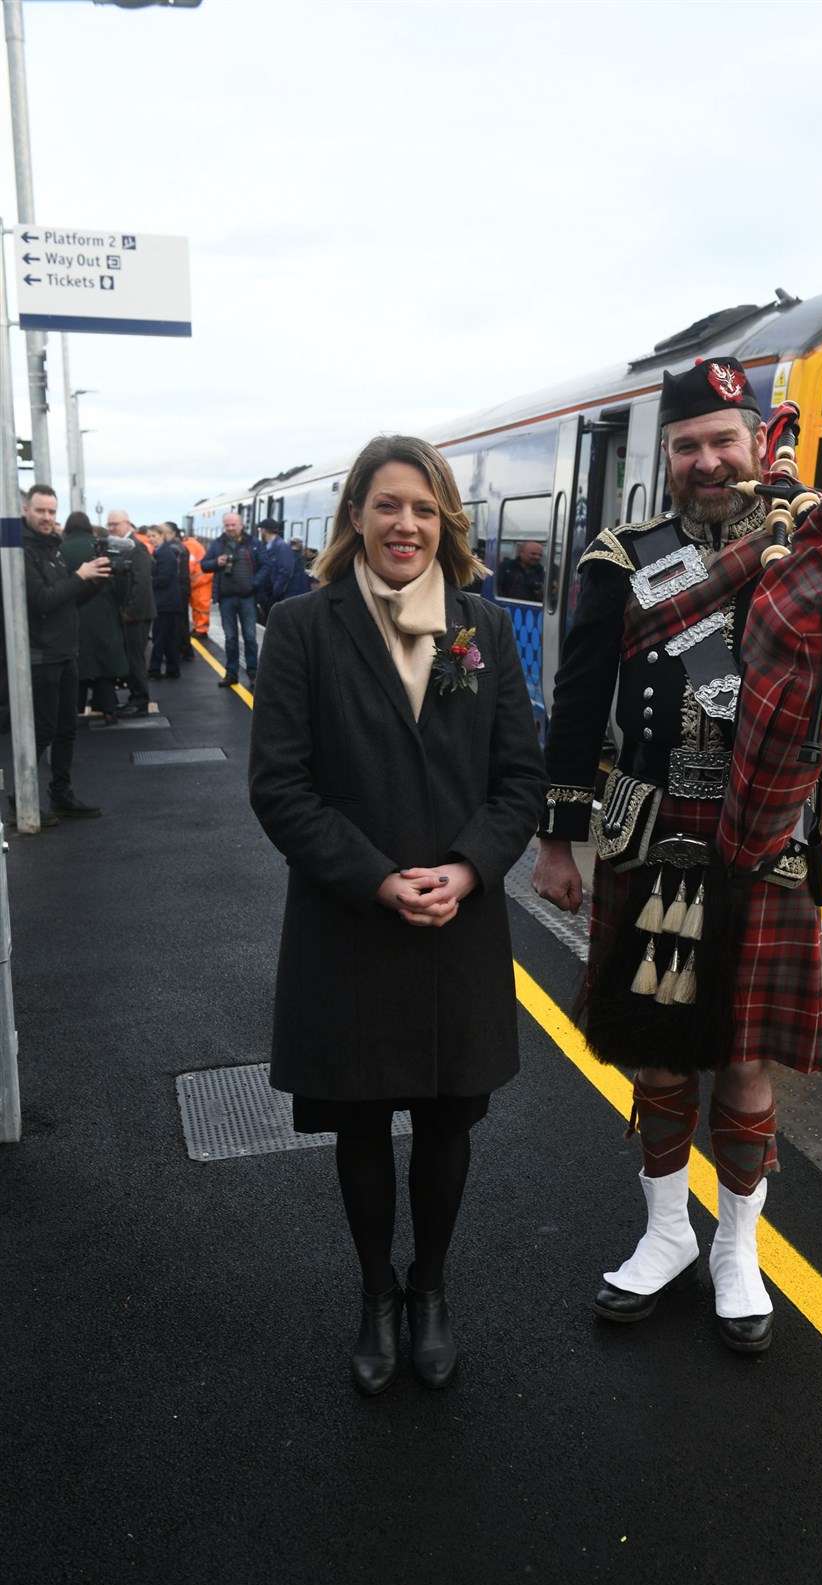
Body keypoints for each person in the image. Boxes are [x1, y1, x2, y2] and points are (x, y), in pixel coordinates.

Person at [532, 358, 822, 1354]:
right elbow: (580, 700)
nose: (706, 460)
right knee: (659, 1056)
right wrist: (557, 834)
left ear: (759, 440)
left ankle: (737, 1251)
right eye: (687, 445)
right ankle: (669, 1233)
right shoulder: (622, 559)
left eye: (722, 438)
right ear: (666, 458)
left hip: (767, 843)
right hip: (651, 827)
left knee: (747, 1060)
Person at [249, 434, 545, 1395]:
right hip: (352, 922)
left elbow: (519, 783)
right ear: (354, 519)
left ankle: (432, 1290)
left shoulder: (483, 631)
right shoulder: (302, 626)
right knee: (363, 1123)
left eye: (422, 508)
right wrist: (378, 878)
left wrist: (467, 870)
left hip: (458, 922)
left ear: (445, 522)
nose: (404, 524)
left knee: (449, 1120)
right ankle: (376, 1292)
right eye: (386, 506)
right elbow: (281, 788)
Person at [21, 484, 111, 820]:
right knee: (42, 731)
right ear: (26, 509)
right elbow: (42, 600)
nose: (47, 518)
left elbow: (67, 599)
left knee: (66, 729)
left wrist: (94, 581)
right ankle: (23, 799)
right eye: (41, 511)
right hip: (40, 656)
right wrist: (79, 574)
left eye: (51, 512)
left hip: (64, 652)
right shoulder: (22, 550)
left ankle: (61, 794)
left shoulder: (52, 546)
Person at [59, 510, 129, 726]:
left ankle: (75, 713)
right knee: (104, 667)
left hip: (73, 614)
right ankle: (109, 711)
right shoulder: (103, 547)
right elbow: (121, 585)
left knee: (78, 667)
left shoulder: (59, 550)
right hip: (104, 614)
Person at [200, 512, 266, 688]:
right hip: (226, 599)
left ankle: (254, 674)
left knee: (250, 637)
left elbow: (266, 565)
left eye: (233, 525)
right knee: (230, 638)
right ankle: (231, 673)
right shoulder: (218, 544)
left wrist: (254, 583)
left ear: (241, 525)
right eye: (227, 525)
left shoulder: (253, 543)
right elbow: (204, 565)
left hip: (248, 598)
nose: (230, 528)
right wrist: (216, 562)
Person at [108, 508, 155, 717]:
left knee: (135, 657)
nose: (111, 529)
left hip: (137, 614)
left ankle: (140, 699)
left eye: (114, 525)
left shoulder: (137, 548)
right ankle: (135, 696)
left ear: (127, 524)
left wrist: (131, 610)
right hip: (130, 612)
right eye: (109, 525)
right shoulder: (122, 546)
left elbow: (141, 583)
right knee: (130, 655)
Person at [146, 525, 184, 679]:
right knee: (168, 638)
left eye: (153, 536)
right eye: (149, 536)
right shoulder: (160, 552)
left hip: (166, 603)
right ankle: (172, 669)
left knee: (160, 637)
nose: (151, 539)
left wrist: (148, 581)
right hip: (167, 602)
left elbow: (164, 578)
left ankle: (154, 669)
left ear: (162, 536)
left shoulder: (165, 553)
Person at [161, 522, 195, 660]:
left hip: (177, 588)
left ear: (173, 533)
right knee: (180, 621)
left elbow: (174, 572)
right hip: (182, 587)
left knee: (178, 621)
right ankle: (184, 650)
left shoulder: (174, 548)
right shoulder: (177, 546)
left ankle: (184, 651)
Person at [258, 518, 311, 609]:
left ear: (264, 530)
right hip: (277, 594)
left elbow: (285, 571)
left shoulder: (281, 547)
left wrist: (275, 592)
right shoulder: (271, 546)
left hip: (284, 595)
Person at [184, 530, 212, 637]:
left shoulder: (190, 545)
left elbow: (189, 565)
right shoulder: (193, 544)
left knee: (201, 606)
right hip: (200, 580)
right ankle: (199, 628)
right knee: (198, 606)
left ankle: (201, 630)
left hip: (201, 581)